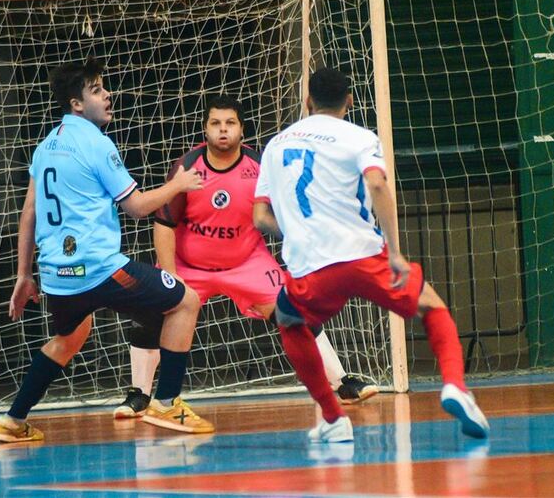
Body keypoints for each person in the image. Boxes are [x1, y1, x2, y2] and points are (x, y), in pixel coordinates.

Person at [252, 67, 490, 444]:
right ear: (349, 100)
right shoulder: (359, 136)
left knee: (290, 322)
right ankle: (455, 387)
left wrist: (299, 230)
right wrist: (395, 251)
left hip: (311, 267)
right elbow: (376, 182)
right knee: (431, 306)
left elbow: (261, 217)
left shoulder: (276, 144)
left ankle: (333, 418)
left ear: (307, 101)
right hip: (364, 256)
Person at [0, 57, 214, 444]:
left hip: (58, 276)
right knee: (186, 301)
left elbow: (28, 213)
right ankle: (166, 402)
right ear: (77, 104)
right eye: (97, 90)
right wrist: (179, 184)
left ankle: (12, 420)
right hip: (98, 268)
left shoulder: (46, 145)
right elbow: (138, 207)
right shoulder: (96, 144)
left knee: (71, 337)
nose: (107, 94)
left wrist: (24, 275)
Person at [114, 96, 378, 419]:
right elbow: (164, 224)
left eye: (230, 124)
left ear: (241, 130)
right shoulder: (187, 167)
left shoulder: (260, 165)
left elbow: (282, 210)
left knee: (293, 308)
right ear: (205, 130)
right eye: (215, 124)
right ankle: (139, 394)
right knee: (152, 309)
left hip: (246, 261)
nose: (222, 130)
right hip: (189, 263)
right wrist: (171, 276)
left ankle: (340, 382)